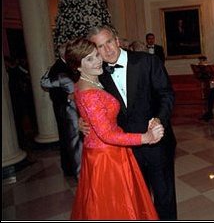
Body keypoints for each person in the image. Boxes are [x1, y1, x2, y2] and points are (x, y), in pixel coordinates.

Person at [65, 37, 163, 220]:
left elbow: (77, 98)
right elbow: (107, 134)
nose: (97, 61)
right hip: (107, 157)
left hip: (105, 152)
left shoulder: (89, 80)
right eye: (89, 59)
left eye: (96, 55)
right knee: (116, 208)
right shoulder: (90, 92)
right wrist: (145, 138)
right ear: (78, 66)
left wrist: (83, 117)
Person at [85, 24, 177, 220]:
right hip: (126, 149)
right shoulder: (97, 75)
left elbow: (166, 94)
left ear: (117, 40)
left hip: (157, 141)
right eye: (100, 46)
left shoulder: (147, 61)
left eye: (109, 42)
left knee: (164, 197)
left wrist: (158, 119)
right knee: (137, 200)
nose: (108, 49)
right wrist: (81, 118)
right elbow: (85, 96)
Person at [40, 43, 82, 179]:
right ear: (64, 54)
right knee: (71, 139)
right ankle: (75, 171)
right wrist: (67, 97)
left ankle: (71, 168)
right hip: (66, 110)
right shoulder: (58, 68)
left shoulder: (67, 66)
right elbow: (51, 88)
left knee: (70, 140)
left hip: (70, 109)